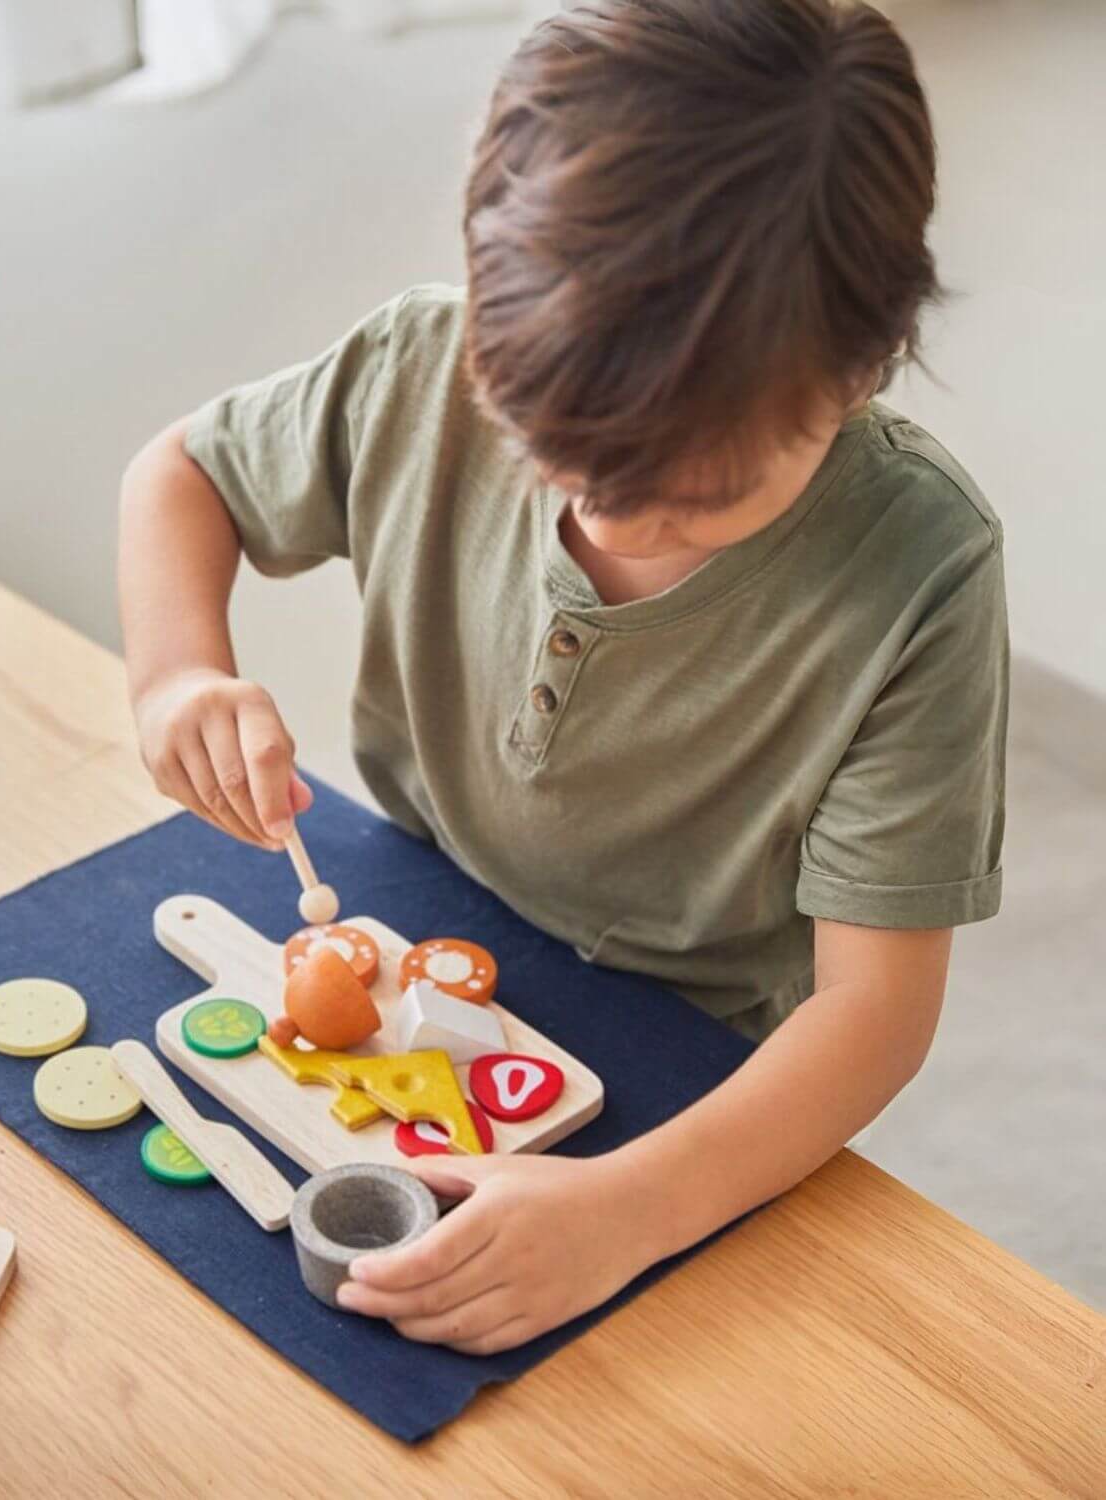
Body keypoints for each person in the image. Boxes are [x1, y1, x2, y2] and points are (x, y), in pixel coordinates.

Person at [117, 0, 1006, 1354]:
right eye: (555, 453)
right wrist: (177, 676)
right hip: (418, 906)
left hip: (699, 1074)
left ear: (865, 363)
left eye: (695, 499)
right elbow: (181, 475)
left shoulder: (920, 571)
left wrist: (626, 1212)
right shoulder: (423, 361)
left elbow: (874, 1016)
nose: (614, 518)